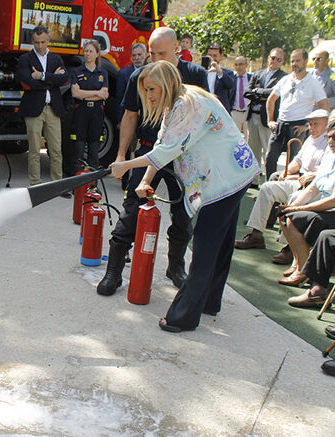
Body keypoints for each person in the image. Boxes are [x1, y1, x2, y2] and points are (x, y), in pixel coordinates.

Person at [110, 60, 259, 332]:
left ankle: (184, 316)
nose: (150, 96)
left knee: (205, 244)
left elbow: (166, 150)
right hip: (235, 175)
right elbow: (162, 144)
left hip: (226, 180)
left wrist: (125, 165)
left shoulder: (190, 104)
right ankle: (209, 302)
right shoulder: (178, 102)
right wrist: (145, 181)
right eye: (147, 91)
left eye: (152, 89)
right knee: (220, 243)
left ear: (166, 83)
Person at [96, 27, 208, 297]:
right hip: (148, 152)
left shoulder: (195, 76)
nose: (156, 59)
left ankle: (175, 266)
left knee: (183, 213)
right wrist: (121, 156)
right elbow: (130, 117)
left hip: (183, 156)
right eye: (152, 53)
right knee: (132, 208)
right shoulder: (140, 76)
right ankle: (114, 271)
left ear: (177, 51)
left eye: (163, 53)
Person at [235, 109, 330, 249]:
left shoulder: (331, 142)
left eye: (316, 124)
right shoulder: (310, 139)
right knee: (267, 188)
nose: (312, 127)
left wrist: (300, 176)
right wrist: (286, 172)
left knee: (295, 197)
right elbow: (297, 161)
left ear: (327, 124)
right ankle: (256, 234)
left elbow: (326, 171)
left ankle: (288, 247)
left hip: (316, 188)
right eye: (310, 124)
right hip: (300, 181)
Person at [277, 120, 335, 300]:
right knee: (286, 215)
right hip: (327, 209)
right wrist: (291, 207)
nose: (331, 140)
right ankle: (299, 264)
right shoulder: (329, 158)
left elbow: (334, 200)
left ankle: (305, 272)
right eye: (329, 137)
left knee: (296, 218)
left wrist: (299, 208)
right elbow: (313, 189)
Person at [17, 25, 69, 189]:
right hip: (33, 109)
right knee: (33, 150)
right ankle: (35, 184)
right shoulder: (25, 59)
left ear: (48, 41)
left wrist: (42, 76)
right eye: (37, 42)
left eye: (43, 42)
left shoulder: (56, 59)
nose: (40, 45)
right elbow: (27, 82)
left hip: (53, 108)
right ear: (32, 42)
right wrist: (52, 80)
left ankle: (57, 184)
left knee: (56, 149)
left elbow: (65, 79)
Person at [265, 49, 329, 180]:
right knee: (270, 159)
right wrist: (270, 120)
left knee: (293, 164)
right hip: (280, 124)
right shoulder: (285, 80)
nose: (294, 64)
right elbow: (271, 99)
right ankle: (271, 189)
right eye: (292, 61)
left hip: (298, 128)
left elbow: (325, 106)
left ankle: (288, 194)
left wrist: (307, 126)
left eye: (298, 60)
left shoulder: (313, 83)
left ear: (305, 61)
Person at [244, 48, 287, 183]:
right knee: (253, 150)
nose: (274, 61)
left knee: (267, 153)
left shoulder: (283, 77)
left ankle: (268, 182)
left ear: (282, 62)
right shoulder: (257, 74)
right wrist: (263, 95)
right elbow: (246, 92)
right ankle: (254, 180)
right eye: (273, 58)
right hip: (253, 117)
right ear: (269, 58)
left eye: (278, 59)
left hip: (268, 118)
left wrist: (258, 92)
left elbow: (275, 94)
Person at [70, 40, 109, 171]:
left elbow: (104, 94)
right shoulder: (76, 72)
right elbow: (75, 93)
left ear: (97, 54)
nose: (88, 54)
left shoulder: (102, 73)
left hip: (96, 112)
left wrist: (85, 93)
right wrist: (97, 92)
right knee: (78, 149)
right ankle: (77, 184)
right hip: (81, 111)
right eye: (86, 51)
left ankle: (92, 185)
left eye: (91, 51)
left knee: (93, 149)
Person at [114, 43, 147, 126]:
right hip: (129, 120)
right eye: (134, 55)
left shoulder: (153, 72)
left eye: (139, 54)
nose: (137, 58)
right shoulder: (123, 74)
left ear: (145, 54)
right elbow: (120, 99)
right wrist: (120, 120)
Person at [205, 44, 235, 112]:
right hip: (204, 109)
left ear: (221, 56)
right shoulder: (201, 71)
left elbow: (230, 85)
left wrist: (219, 72)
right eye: (209, 55)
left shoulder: (228, 73)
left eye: (215, 56)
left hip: (220, 110)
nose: (212, 58)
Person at [231, 56, 251, 138]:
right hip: (235, 112)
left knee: (249, 138)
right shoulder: (232, 78)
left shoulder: (251, 78)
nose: (238, 67)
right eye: (236, 65)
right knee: (234, 138)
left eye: (240, 64)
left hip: (248, 112)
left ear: (246, 65)